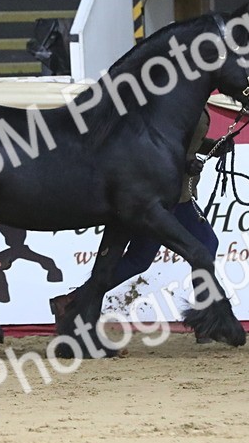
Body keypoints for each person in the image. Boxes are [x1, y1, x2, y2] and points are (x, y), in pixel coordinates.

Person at [50, 111, 219, 329]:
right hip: (168, 197)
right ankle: (206, 317)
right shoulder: (181, 97)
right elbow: (165, 137)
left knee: (139, 259)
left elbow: (183, 139)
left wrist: (210, 147)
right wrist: (186, 162)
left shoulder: (189, 96)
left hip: (166, 195)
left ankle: (72, 301)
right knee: (204, 245)